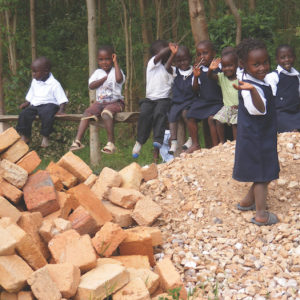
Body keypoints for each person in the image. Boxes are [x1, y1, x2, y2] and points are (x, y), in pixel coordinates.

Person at [233, 38, 279, 226]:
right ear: (244, 64)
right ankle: (261, 214)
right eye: (256, 64)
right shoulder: (247, 88)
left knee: (265, 171)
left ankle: (247, 202)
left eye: (265, 62)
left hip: (262, 135)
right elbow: (259, 109)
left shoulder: (258, 79)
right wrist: (252, 91)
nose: (262, 68)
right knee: (262, 175)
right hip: (256, 138)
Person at [70, 45, 125, 154]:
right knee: (87, 113)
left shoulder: (117, 71)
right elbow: (91, 86)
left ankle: (111, 143)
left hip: (116, 103)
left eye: (108, 59)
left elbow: (119, 80)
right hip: (100, 103)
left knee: (106, 113)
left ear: (113, 58)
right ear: (98, 61)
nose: (104, 62)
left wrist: (116, 63)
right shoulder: (97, 73)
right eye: (101, 60)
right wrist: (103, 79)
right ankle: (77, 141)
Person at [132, 40, 173, 158]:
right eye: (162, 50)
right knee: (144, 114)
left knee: (159, 113)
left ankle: (158, 140)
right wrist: (169, 48)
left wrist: (172, 53)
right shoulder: (152, 64)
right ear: (155, 54)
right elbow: (160, 56)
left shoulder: (171, 68)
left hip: (164, 99)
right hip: (149, 99)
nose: (165, 52)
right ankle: (139, 141)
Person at [17, 56, 68, 148]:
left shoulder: (54, 84)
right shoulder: (35, 81)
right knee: (24, 114)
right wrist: (27, 102)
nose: (33, 74)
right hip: (36, 105)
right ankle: (25, 136)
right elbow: (31, 94)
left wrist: (61, 110)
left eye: (35, 72)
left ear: (45, 72)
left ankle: (45, 137)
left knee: (47, 114)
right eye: (32, 71)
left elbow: (62, 99)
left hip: (49, 105)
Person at [186, 40, 223, 153]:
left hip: (218, 101)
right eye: (199, 54)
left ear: (214, 53)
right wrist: (196, 77)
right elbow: (195, 89)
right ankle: (195, 144)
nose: (202, 57)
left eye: (205, 53)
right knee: (190, 115)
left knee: (211, 118)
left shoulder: (220, 67)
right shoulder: (198, 69)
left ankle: (215, 146)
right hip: (204, 101)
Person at [164, 44, 196, 154]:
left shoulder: (194, 71)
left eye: (185, 60)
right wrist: (172, 54)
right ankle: (174, 141)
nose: (182, 63)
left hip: (189, 101)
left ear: (190, 59)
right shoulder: (175, 71)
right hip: (177, 102)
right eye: (179, 61)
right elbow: (167, 67)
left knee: (186, 114)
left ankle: (192, 138)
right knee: (172, 116)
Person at [265, 44, 300, 132]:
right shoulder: (273, 76)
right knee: (294, 131)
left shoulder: (297, 76)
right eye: (283, 57)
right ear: (277, 59)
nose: (287, 60)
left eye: (290, 56)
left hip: (296, 112)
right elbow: (270, 100)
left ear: (294, 57)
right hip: (281, 114)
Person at [207, 51, 239, 143]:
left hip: (239, 108)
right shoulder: (222, 77)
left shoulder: (240, 78)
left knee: (235, 124)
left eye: (230, 65)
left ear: (236, 65)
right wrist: (210, 69)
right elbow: (209, 76)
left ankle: (236, 144)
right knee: (218, 120)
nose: (227, 69)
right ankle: (222, 142)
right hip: (227, 107)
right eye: (224, 66)